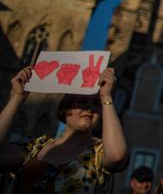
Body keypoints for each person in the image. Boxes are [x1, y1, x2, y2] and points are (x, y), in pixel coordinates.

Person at [0, 65, 127, 193]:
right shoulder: (33, 147)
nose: (89, 108)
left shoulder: (99, 152)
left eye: (96, 104)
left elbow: (117, 156)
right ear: (65, 109)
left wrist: (106, 97)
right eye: (82, 101)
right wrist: (17, 98)